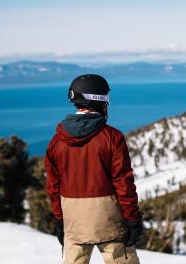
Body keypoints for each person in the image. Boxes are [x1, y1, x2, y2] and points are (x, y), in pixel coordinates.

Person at [45, 74, 143, 264]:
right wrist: (132, 218)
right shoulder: (112, 138)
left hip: (73, 221)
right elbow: (123, 182)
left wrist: (59, 220)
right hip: (109, 220)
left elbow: (53, 186)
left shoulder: (57, 142)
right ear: (99, 100)